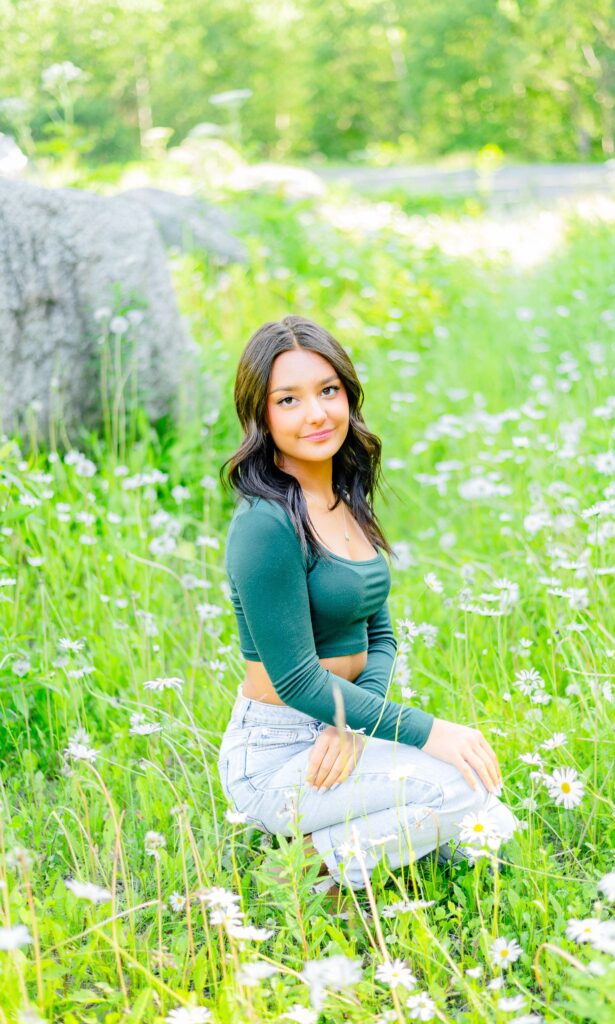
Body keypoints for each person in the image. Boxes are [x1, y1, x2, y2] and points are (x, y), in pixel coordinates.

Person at [217, 314, 519, 912]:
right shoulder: (265, 524)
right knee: (460, 785)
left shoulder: (343, 494)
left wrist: (353, 724)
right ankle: (309, 869)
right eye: (289, 399)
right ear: (262, 416)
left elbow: (379, 631)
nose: (316, 414)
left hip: (342, 722)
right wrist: (427, 731)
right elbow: (297, 679)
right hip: (276, 752)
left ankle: (321, 843)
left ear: (349, 394)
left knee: (495, 825)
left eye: (328, 390)